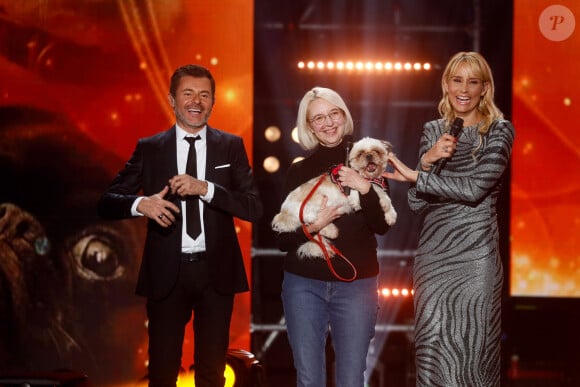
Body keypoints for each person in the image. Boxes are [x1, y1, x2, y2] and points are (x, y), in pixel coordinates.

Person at [97, 64, 262, 387]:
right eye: (187, 93)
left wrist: (206, 188)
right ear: (172, 100)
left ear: (213, 102)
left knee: (212, 375)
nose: (196, 101)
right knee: (161, 373)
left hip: (216, 274)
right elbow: (106, 201)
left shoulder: (230, 146)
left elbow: (254, 207)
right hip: (165, 275)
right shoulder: (151, 148)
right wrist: (141, 204)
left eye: (204, 95)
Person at [383, 51, 515, 386]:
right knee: (432, 347)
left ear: (485, 88)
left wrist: (417, 175)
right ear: (446, 84)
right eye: (457, 79)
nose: (464, 89)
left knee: (475, 352)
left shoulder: (499, 131)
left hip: (475, 258)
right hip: (434, 258)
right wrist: (426, 161)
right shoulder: (433, 130)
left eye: (473, 81)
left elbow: (474, 190)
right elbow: (417, 203)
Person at [273, 86, 391, 387]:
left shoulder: (369, 156)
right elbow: (282, 240)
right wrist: (314, 226)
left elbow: (382, 225)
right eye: (318, 118)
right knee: (309, 379)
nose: (328, 123)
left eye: (333, 114)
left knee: (351, 379)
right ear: (309, 126)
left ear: (344, 115)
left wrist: (364, 188)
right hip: (304, 285)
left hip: (357, 287)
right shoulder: (298, 170)